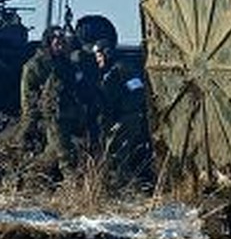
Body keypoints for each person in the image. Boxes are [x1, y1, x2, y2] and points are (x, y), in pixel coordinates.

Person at [19, 26, 89, 176]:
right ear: (49, 42)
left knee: (52, 156)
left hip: (71, 115)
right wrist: (30, 123)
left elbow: (78, 88)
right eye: (57, 41)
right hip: (50, 117)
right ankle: (73, 186)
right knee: (65, 156)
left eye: (63, 41)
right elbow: (28, 98)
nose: (61, 44)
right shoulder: (35, 66)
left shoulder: (67, 64)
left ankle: (30, 177)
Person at [88, 39, 150, 177]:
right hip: (117, 118)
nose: (97, 60)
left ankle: (124, 184)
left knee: (121, 154)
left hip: (127, 118)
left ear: (107, 53)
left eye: (98, 55)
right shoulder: (108, 72)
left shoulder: (123, 68)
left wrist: (125, 112)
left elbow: (137, 90)